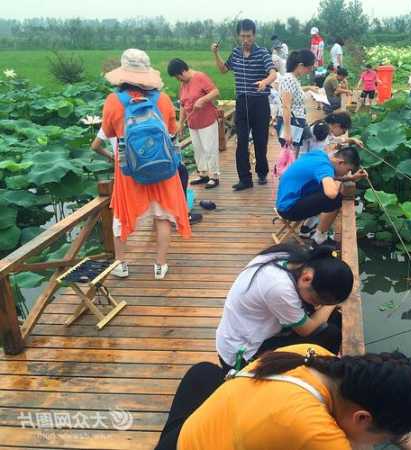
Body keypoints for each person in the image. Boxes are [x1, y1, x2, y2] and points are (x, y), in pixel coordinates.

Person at [155, 343, 411, 450]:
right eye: (381, 439)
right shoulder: (317, 435)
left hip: (190, 435)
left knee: (204, 372)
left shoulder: (312, 354)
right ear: (361, 417)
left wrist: (399, 434)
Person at [101, 49, 191, 280]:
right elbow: (172, 130)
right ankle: (160, 266)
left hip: (129, 170)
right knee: (162, 216)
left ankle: (121, 264)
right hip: (163, 168)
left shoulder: (113, 101)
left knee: (121, 216)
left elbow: (110, 131)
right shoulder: (162, 99)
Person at [216, 243, 354, 371]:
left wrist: (326, 306)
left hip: (253, 331)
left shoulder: (288, 256)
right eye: (316, 300)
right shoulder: (279, 288)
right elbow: (306, 330)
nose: (317, 305)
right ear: (307, 278)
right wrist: (331, 305)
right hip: (242, 353)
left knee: (332, 319)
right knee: (331, 334)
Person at [212, 19, 278, 191]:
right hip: (242, 102)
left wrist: (265, 81)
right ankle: (244, 178)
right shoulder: (235, 53)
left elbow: (273, 73)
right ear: (238, 36)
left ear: (254, 35)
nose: (245, 40)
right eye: (242, 36)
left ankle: (262, 172)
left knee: (260, 140)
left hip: (260, 102)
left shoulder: (262, 53)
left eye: (248, 36)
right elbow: (223, 70)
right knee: (241, 140)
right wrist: (215, 53)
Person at [276, 146, 367, 246]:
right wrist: (338, 184)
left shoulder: (319, 154)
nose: (347, 173)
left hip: (285, 200)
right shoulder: (325, 167)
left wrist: (350, 178)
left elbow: (329, 177)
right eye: (348, 170)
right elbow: (331, 193)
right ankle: (319, 238)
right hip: (288, 209)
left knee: (323, 188)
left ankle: (307, 227)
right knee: (335, 199)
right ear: (341, 162)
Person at [167, 58, 221, 189]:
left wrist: (203, 99)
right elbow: (183, 104)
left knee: (209, 148)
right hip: (193, 122)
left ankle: (214, 176)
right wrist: (180, 123)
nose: (178, 79)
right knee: (198, 149)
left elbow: (215, 92)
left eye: (177, 76)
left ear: (183, 71)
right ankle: (203, 174)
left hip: (207, 120)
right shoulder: (183, 83)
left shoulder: (200, 77)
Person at [276, 49, 315, 151]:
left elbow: (295, 93)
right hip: (291, 123)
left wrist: (309, 88)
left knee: (292, 157)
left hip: (295, 122)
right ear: (301, 65)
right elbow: (286, 106)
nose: (309, 71)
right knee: (289, 157)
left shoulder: (293, 79)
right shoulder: (289, 80)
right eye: (309, 68)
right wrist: (287, 132)